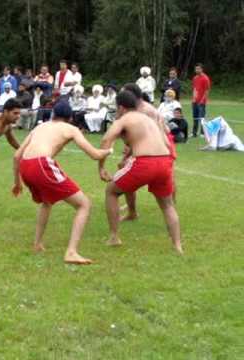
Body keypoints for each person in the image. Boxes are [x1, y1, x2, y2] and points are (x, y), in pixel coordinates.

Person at [13, 101, 113, 265]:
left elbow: (17, 156)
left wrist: (17, 183)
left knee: (46, 202)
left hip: (25, 166)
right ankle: (71, 252)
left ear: (53, 114)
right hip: (41, 164)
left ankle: (37, 244)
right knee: (84, 204)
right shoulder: (70, 128)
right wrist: (109, 150)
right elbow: (95, 155)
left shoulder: (40, 126)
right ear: (69, 118)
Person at [98, 91, 182, 254]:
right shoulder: (148, 118)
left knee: (111, 191)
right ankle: (177, 246)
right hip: (165, 160)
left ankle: (114, 237)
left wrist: (101, 167)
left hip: (144, 163)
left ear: (121, 107)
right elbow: (163, 140)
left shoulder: (124, 119)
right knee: (167, 205)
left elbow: (106, 140)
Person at [191, 63, 211, 137]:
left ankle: (203, 133)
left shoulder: (205, 78)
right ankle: (194, 133)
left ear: (202, 69)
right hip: (195, 101)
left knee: (202, 118)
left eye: (198, 69)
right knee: (195, 117)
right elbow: (194, 89)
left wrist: (203, 100)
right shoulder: (195, 78)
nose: (197, 70)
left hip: (201, 102)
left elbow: (207, 91)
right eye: (196, 69)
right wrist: (193, 98)